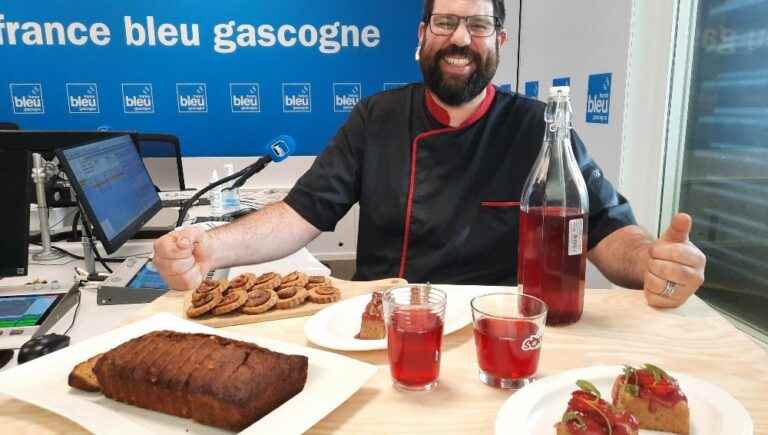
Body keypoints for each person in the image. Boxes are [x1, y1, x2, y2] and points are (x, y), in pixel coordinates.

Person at [154, 0, 706, 309]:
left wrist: (653, 261)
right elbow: (300, 216)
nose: (460, 38)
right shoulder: (376, 117)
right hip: (385, 323)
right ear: (422, 35)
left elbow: (607, 232)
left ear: (500, 42)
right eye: (445, 23)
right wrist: (210, 248)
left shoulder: (539, 126)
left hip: (496, 325)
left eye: (479, 25)